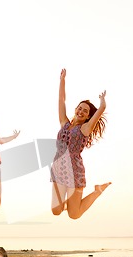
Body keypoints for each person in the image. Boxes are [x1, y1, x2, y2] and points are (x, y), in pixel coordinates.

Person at [51, 69, 111, 219]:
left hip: (74, 171)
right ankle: (70, 201)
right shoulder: (64, 123)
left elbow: (101, 110)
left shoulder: (85, 128)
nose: (81, 111)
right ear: (75, 109)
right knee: (56, 210)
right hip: (59, 168)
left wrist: (102, 102)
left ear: (88, 116)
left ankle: (97, 191)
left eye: (85, 111)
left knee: (74, 214)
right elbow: (61, 101)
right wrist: (62, 80)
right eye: (80, 108)